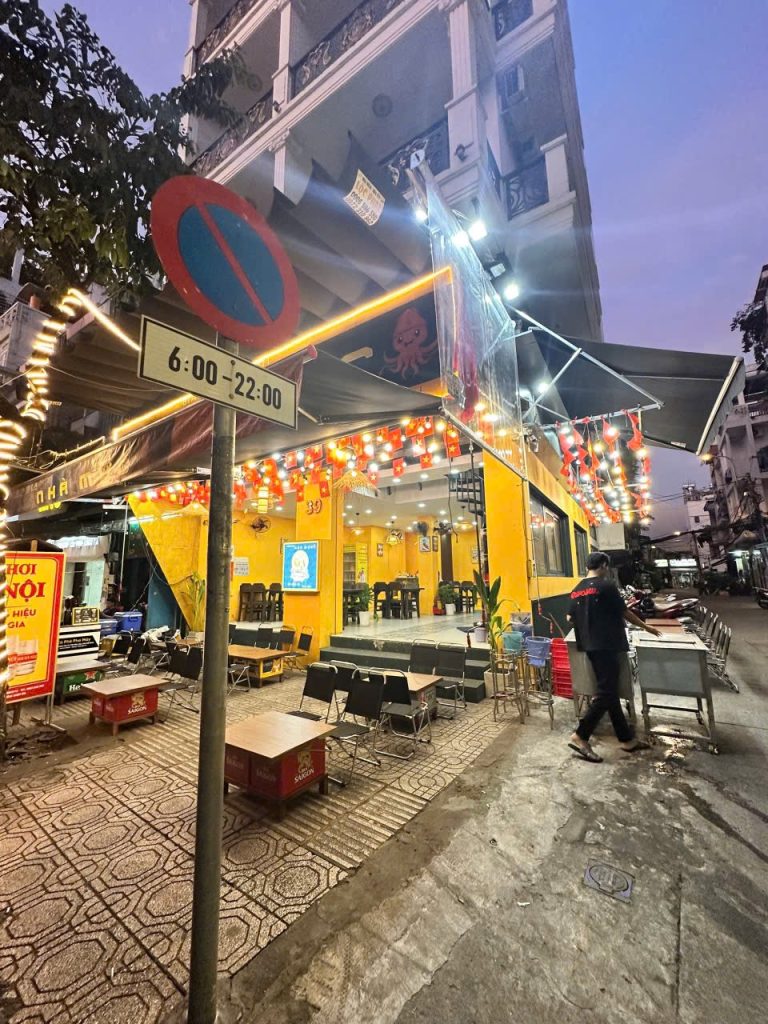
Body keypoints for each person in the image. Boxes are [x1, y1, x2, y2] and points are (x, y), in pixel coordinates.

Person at [567, 551, 662, 763]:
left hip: (589, 646)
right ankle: (581, 735)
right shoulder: (607, 586)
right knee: (606, 693)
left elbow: (570, 617)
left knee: (609, 692)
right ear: (603, 565)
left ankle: (626, 739)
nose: (607, 570)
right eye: (607, 566)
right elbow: (624, 612)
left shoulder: (576, 590)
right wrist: (646, 627)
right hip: (608, 645)